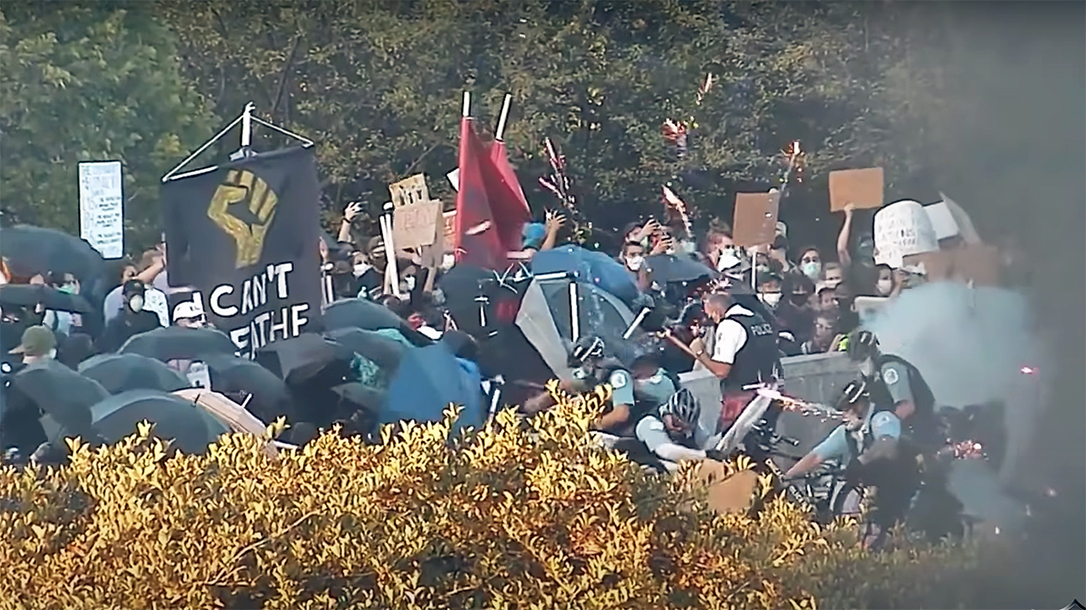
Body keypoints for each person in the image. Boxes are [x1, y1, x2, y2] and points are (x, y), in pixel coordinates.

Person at [783, 379, 919, 549]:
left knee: (883, 536)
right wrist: (787, 477)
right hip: (870, 492)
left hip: (898, 488)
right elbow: (816, 456)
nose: (845, 414)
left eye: (848, 408)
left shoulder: (882, 418)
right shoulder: (849, 432)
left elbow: (887, 444)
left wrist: (861, 462)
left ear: (860, 404)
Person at [661, 290, 780, 436]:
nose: (712, 320)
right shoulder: (758, 320)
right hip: (771, 394)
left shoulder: (729, 325)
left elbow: (721, 370)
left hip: (743, 400)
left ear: (717, 312)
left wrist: (700, 352)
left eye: (710, 315)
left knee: (728, 445)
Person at [845, 329, 940, 452]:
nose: (860, 365)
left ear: (872, 353)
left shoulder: (890, 368)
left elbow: (907, 407)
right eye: (856, 361)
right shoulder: (872, 378)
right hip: (899, 431)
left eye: (862, 359)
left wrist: (882, 428)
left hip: (919, 430)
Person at [634, 388, 724, 472]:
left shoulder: (691, 424)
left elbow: (706, 443)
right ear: (668, 413)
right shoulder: (649, 423)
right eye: (676, 424)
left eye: (686, 428)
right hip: (650, 470)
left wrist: (725, 436)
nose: (681, 430)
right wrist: (703, 455)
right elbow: (666, 451)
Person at [565, 335, 640, 435]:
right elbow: (568, 387)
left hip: (611, 432)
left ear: (592, 360)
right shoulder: (588, 375)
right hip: (585, 419)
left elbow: (621, 414)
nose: (582, 369)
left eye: (585, 364)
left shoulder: (617, 376)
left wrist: (590, 426)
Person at [98, 280, 162, 353]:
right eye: (133, 295)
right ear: (124, 297)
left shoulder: (152, 318)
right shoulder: (115, 323)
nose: (138, 299)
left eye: (141, 294)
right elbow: (108, 349)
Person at [774, 272, 817, 346]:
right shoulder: (780, 312)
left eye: (804, 289)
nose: (801, 292)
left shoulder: (812, 312)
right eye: (797, 289)